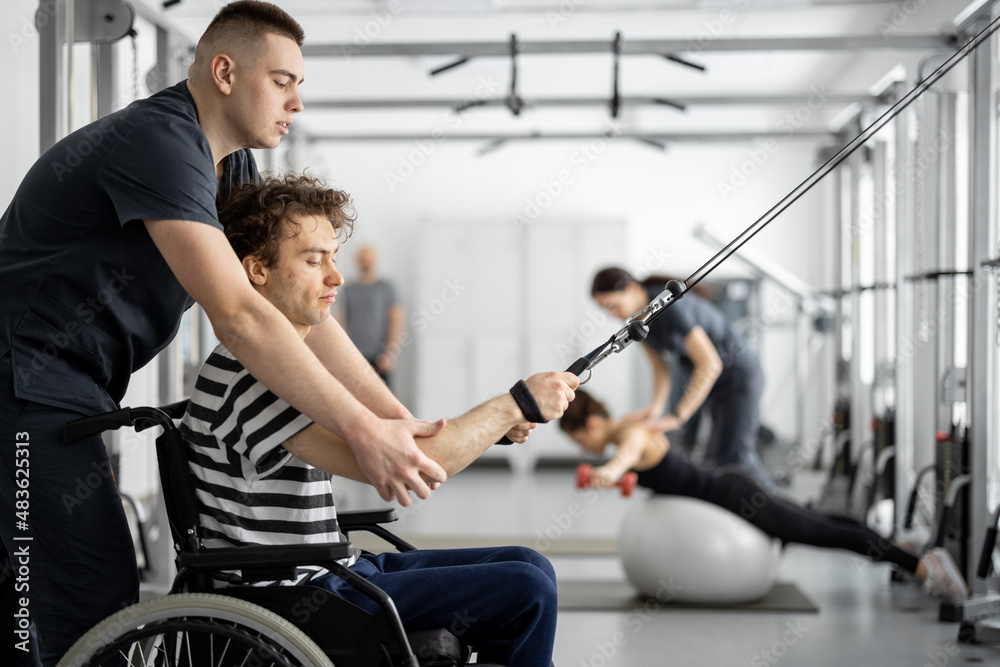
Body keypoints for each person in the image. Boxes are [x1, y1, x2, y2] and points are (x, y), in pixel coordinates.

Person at [0, 3, 450, 664]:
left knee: (47, 588)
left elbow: (301, 313)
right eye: (283, 80)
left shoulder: (233, 170)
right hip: (22, 377)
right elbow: (239, 313)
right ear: (225, 72)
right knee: (83, 594)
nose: (297, 100)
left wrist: (398, 421)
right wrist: (359, 427)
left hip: (76, 381)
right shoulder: (159, 142)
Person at [183, 173, 579, 667]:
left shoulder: (279, 361)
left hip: (330, 569)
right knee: (526, 589)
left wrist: (494, 425)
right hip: (292, 596)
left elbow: (406, 433)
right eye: (312, 260)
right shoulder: (257, 374)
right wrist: (514, 403)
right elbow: (416, 459)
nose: (336, 277)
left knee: (529, 563)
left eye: (333, 257)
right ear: (256, 270)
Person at [559, 389, 969, 603]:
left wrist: (610, 471)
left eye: (579, 436)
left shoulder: (629, 435)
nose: (582, 446)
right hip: (729, 486)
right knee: (822, 523)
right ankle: (903, 547)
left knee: (821, 534)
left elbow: (629, 455)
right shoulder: (629, 424)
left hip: (734, 496)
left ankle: (924, 568)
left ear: (593, 423)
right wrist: (613, 474)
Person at [590, 267, 775, 491]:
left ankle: (782, 518)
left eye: (612, 305)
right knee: (718, 459)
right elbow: (660, 368)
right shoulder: (639, 322)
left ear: (630, 289)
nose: (611, 314)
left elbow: (710, 363)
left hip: (739, 378)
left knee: (735, 459)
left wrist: (679, 416)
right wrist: (655, 409)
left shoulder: (667, 308)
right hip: (717, 388)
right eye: (604, 309)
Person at [337, 244, 404, 384]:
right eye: (362, 257)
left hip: (379, 356)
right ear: (357, 260)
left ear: (375, 259)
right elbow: (340, 319)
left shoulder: (385, 287)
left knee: (383, 401)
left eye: (368, 257)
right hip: (354, 354)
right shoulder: (349, 288)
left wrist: (390, 353)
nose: (365, 260)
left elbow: (396, 321)